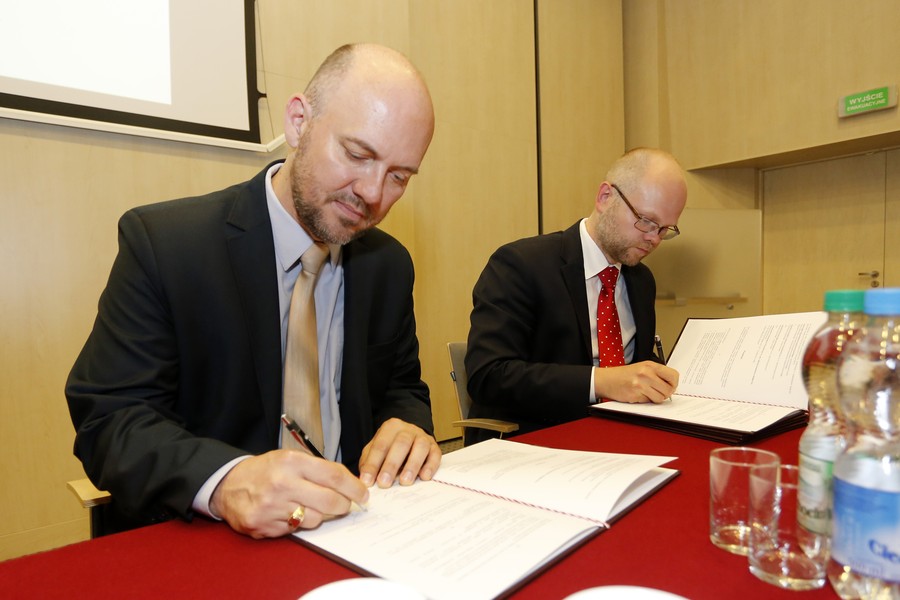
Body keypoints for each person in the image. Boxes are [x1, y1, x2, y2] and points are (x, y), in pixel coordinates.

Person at [65, 43, 441, 538]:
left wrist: (407, 426)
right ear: (298, 122)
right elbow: (111, 422)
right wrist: (224, 482)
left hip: (353, 530)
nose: (373, 194)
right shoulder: (167, 246)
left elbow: (401, 389)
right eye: (357, 155)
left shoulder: (388, 266)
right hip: (214, 543)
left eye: (398, 177)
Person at [464, 148, 687, 445]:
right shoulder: (521, 264)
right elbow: (489, 376)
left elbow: (637, 365)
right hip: (539, 439)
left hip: (622, 436)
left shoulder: (641, 280)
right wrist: (601, 381)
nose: (654, 239)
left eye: (665, 229)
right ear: (605, 197)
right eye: (646, 221)